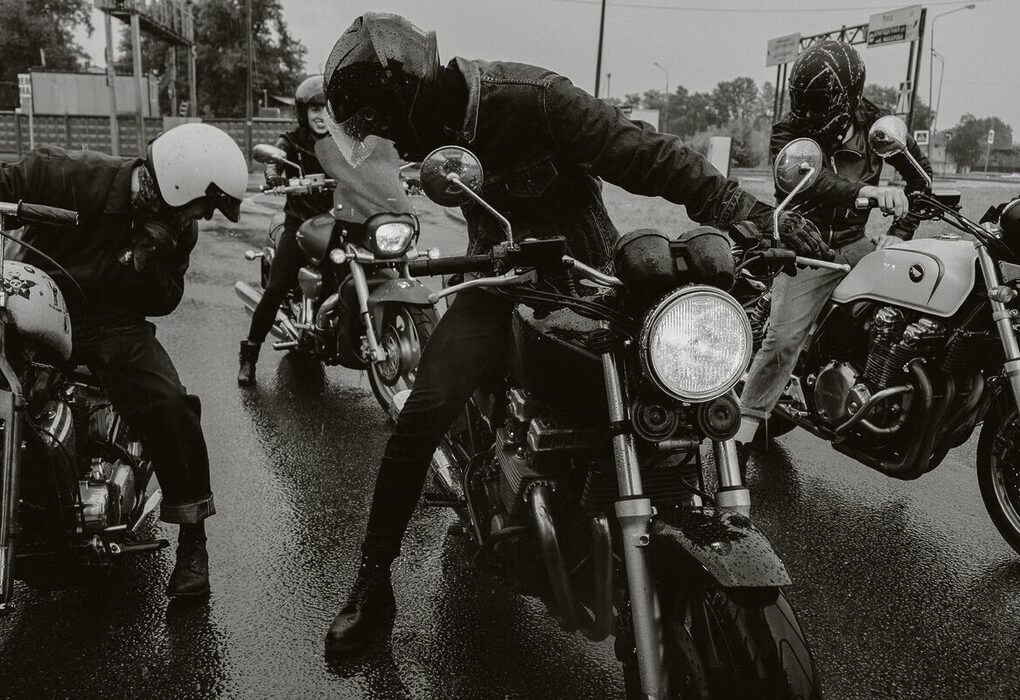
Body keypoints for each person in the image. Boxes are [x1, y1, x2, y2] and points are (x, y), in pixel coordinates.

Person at [320, 12, 832, 655]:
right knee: (423, 413)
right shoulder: (438, 128)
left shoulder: (531, 98)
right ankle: (372, 585)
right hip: (500, 278)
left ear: (411, 97)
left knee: (678, 398)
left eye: (389, 125)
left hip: (589, 274)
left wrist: (741, 210)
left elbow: (643, 152)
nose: (394, 140)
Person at [0, 122, 248, 598]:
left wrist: (144, 261)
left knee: (170, 404)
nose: (205, 215)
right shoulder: (71, 175)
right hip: (29, 298)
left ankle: (193, 539)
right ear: (180, 185)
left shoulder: (178, 228)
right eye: (205, 203)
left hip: (108, 322)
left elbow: (167, 298)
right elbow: (13, 180)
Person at [735, 40, 933, 450]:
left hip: (857, 245)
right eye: (804, 103)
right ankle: (740, 435)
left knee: (910, 315)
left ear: (849, 93)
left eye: (820, 104)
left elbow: (922, 180)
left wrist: (902, 230)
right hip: (805, 249)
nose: (810, 115)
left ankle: (882, 401)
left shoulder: (878, 126)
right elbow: (815, 181)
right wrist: (870, 193)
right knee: (783, 341)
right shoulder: (789, 131)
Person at [238, 75, 414, 385]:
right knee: (277, 286)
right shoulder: (291, 141)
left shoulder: (349, 143)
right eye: (315, 109)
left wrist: (399, 179)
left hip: (345, 219)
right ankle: (249, 354)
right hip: (302, 222)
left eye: (328, 110)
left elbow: (376, 165)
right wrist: (274, 175)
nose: (321, 116)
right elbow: (275, 162)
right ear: (303, 112)